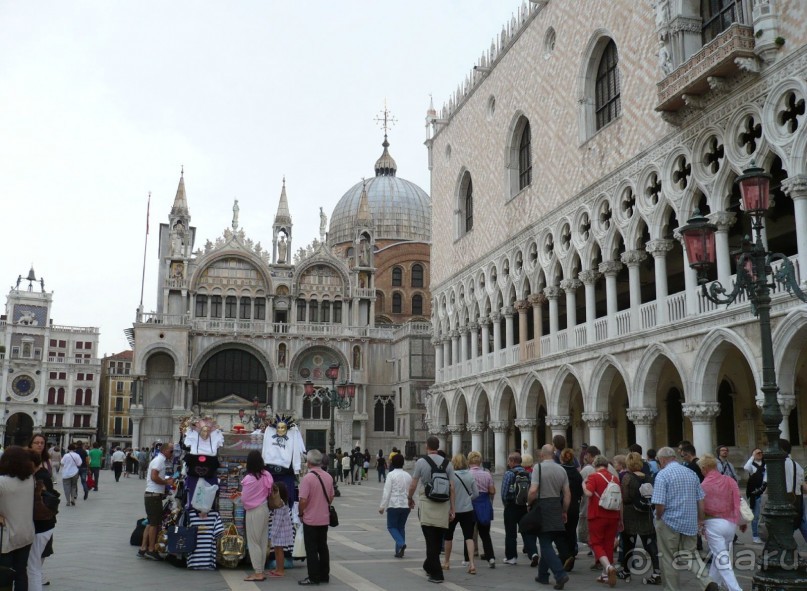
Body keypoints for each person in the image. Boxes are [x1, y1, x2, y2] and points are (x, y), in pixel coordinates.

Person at [651, 447, 717, 591]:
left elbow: (660, 504)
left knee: (668, 558)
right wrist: (700, 520)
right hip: (689, 521)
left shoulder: (662, 475)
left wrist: (658, 517)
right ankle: (707, 581)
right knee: (691, 555)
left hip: (669, 521)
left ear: (662, 460)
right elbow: (700, 500)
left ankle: (671, 588)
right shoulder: (691, 473)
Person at [408, 436, 456, 584]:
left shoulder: (421, 462)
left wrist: (409, 498)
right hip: (443, 504)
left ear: (426, 446)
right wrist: (453, 508)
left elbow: (413, 484)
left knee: (430, 540)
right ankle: (429, 565)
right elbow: (452, 488)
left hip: (427, 502)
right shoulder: (448, 463)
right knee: (437, 538)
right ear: (438, 446)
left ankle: (437, 574)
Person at [527, 444, 571, 590]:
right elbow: (567, 495)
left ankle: (560, 574)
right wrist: (564, 511)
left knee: (545, 543)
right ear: (554, 454)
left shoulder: (537, 468)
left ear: (541, 455)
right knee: (548, 540)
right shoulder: (561, 469)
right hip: (556, 506)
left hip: (542, 507)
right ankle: (542, 575)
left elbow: (533, 491)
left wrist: (528, 502)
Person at [699, 454, 744, 591]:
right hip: (730, 523)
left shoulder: (703, 485)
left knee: (721, 558)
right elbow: (738, 500)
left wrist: (700, 522)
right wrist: (741, 520)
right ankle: (713, 584)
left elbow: (701, 506)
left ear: (705, 468)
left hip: (713, 523)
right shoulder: (729, 480)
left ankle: (735, 589)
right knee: (719, 554)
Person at [619, 452, 660, 584]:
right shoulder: (649, 478)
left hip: (630, 513)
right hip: (646, 513)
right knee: (649, 542)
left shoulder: (627, 478)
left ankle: (626, 571)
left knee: (629, 543)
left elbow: (625, 497)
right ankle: (656, 571)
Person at [0, 446, 36, 590]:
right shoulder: (29, 479)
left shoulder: (2, 482)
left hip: (7, 537)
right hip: (26, 534)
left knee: (4, 574)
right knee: (21, 572)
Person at [298, 449, 334, 586]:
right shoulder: (328, 477)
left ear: (308, 462)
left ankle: (313, 577)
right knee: (323, 547)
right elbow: (331, 496)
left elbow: (302, 500)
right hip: (324, 518)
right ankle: (324, 574)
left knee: (311, 549)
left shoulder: (307, 478)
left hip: (310, 519)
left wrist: (301, 513)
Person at [583, 454, 620, 587]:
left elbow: (588, 493)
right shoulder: (614, 478)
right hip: (613, 515)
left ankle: (609, 567)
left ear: (595, 465)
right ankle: (605, 575)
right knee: (608, 544)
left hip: (597, 514)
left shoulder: (593, 477)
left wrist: (584, 484)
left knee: (596, 543)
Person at [28, 436, 57, 591]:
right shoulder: (28, 464)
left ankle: (39, 572)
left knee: (41, 550)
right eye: (36, 442)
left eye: (42, 443)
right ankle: (39, 572)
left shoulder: (45, 464)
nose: (39, 445)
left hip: (43, 513)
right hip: (40, 516)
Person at [138, 442, 176, 561]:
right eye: (171, 451)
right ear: (164, 450)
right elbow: (154, 477)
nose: (172, 453)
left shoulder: (159, 460)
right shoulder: (159, 460)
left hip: (152, 495)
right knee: (154, 524)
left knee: (150, 523)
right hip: (153, 496)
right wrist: (167, 483)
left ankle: (143, 548)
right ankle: (150, 550)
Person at [240, 450, 273, 582]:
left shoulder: (249, 478)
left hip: (254, 511)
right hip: (265, 508)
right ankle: (261, 570)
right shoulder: (266, 475)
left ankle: (258, 572)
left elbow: (245, 498)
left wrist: (239, 496)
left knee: (253, 542)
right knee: (263, 541)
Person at [442, 453, 478, 574]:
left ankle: (446, 562)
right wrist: (468, 499)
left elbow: (447, 492)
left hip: (453, 510)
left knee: (448, 536)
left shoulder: (451, 476)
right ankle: (472, 564)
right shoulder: (470, 475)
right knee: (469, 537)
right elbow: (476, 493)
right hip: (467, 510)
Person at [500, 452, 538, 565]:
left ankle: (511, 557)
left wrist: (506, 504)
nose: (508, 463)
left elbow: (504, 492)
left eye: (509, 461)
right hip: (524, 506)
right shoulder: (527, 474)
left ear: (512, 461)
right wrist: (529, 504)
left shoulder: (509, 473)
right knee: (527, 531)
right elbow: (532, 490)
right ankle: (533, 553)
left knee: (511, 533)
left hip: (511, 506)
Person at [379, 453, 412, 558]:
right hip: (406, 505)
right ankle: (398, 551)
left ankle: (401, 544)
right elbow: (410, 490)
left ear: (392, 463)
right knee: (401, 527)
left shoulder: (391, 475)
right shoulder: (408, 475)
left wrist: (382, 506)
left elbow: (387, 491)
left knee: (392, 526)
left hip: (394, 504)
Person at [468, 451, 496, 568]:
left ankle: (468, 558)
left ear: (469, 461)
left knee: (469, 533)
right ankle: (491, 558)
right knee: (485, 534)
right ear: (480, 462)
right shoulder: (487, 474)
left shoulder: (468, 474)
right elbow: (492, 491)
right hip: (484, 503)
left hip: (471, 505)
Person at [559, 447, 583, 572]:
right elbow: (580, 492)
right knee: (571, 531)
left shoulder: (560, 471)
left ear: (561, 458)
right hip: (575, 506)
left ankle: (565, 557)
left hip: (563, 505)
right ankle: (571, 555)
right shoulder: (577, 474)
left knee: (561, 533)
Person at [269, 482, 293, 577]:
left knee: (279, 551)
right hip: (281, 531)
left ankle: (280, 570)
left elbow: (277, 522)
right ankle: (278, 568)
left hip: (280, 532)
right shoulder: (283, 503)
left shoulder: (280, 505)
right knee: (277, 550)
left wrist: (272, 534)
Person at [743, 448, 765, 543]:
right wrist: (753, 456)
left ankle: (765, 534)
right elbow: (746, 468)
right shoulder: (751, 464)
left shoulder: (766, 463)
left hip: (765, 491)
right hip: (755, 492)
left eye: (761, 452)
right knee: (755, 516)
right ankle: (755, 536)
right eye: (757, 453)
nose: (760, 454)